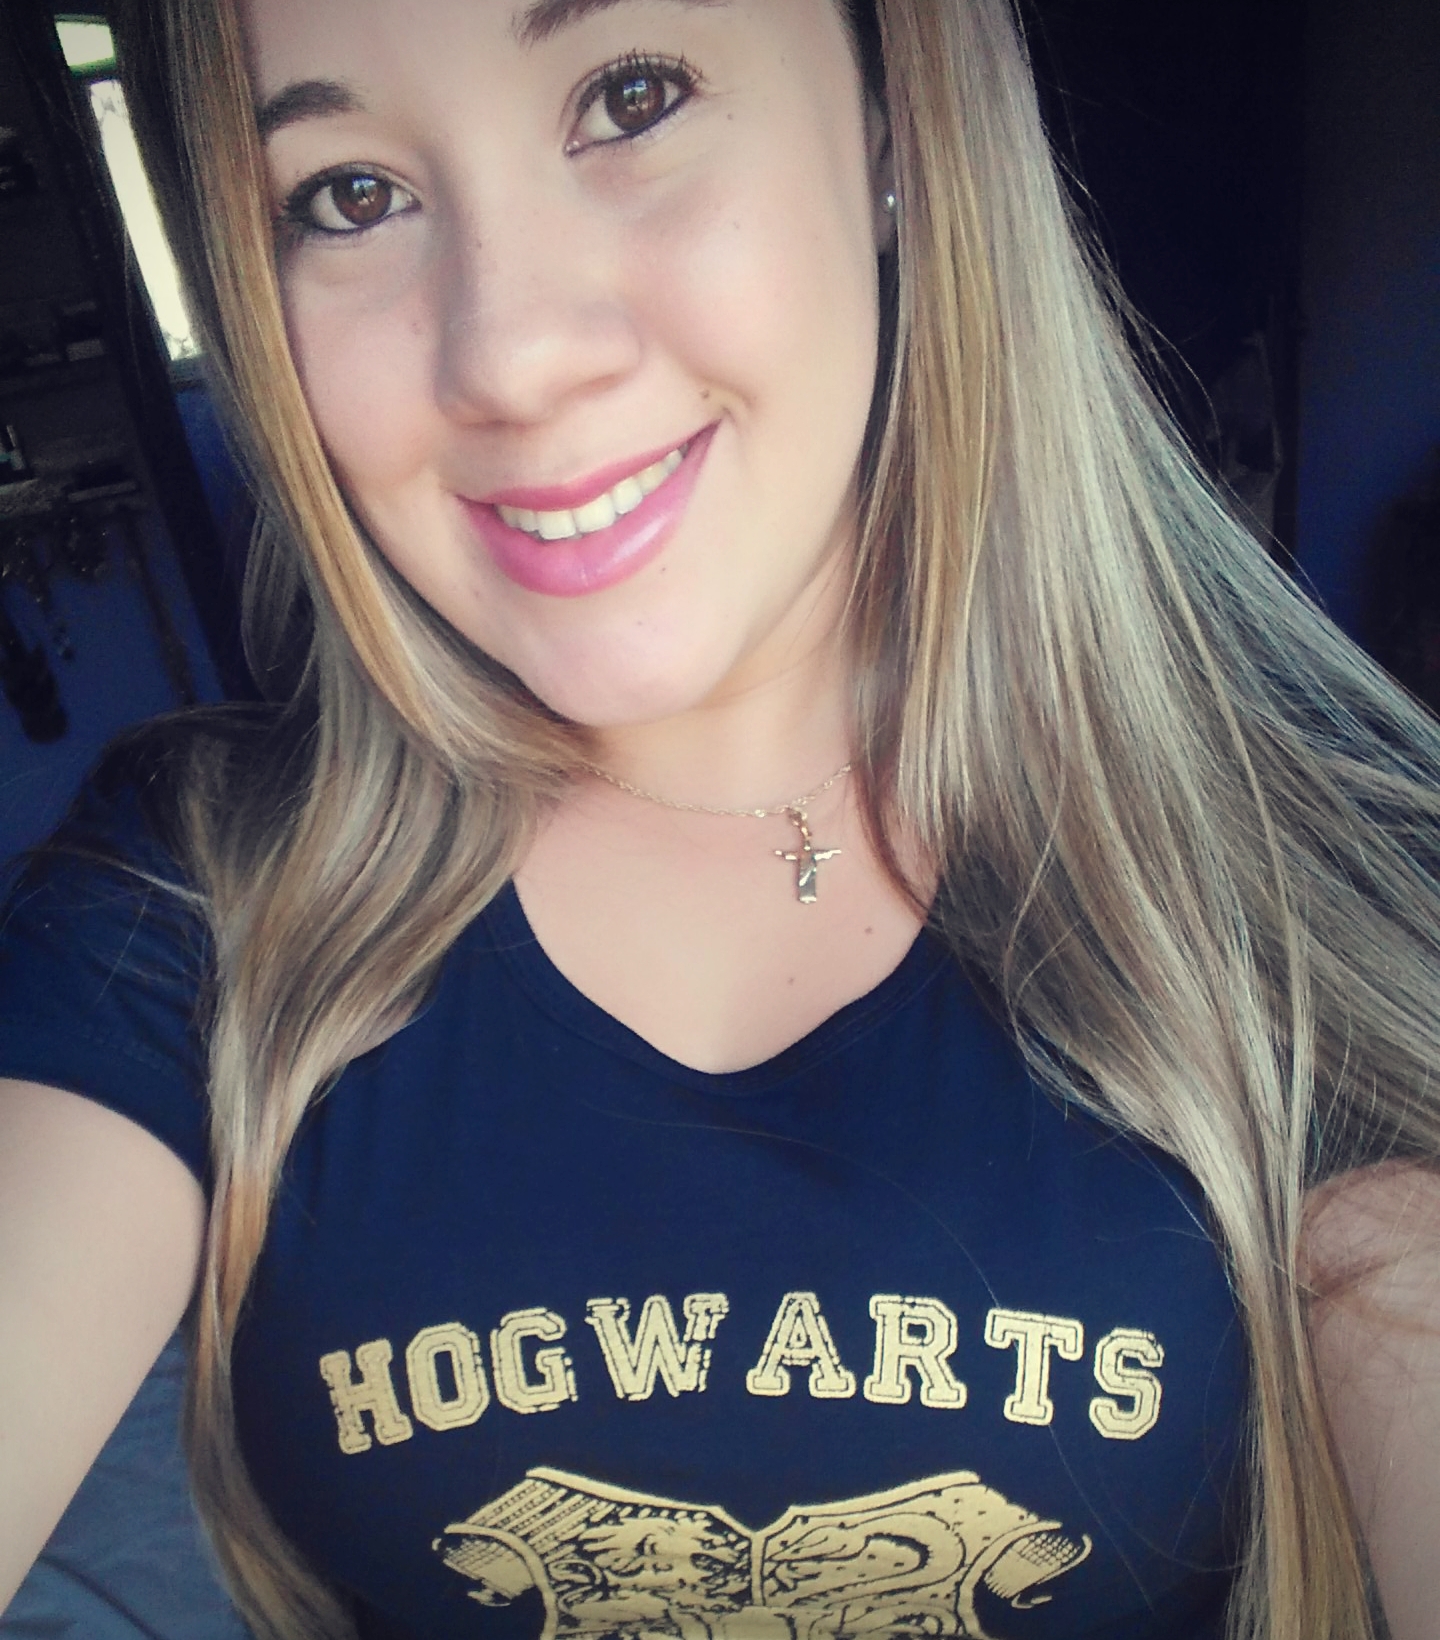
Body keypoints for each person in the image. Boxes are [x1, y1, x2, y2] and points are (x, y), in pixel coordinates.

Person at [2, 1, 1438, 1637]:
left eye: (633, 95)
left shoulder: (1322, 886)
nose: (508, 356)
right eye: (349, 195)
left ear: (894, 109)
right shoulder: (196, 902)